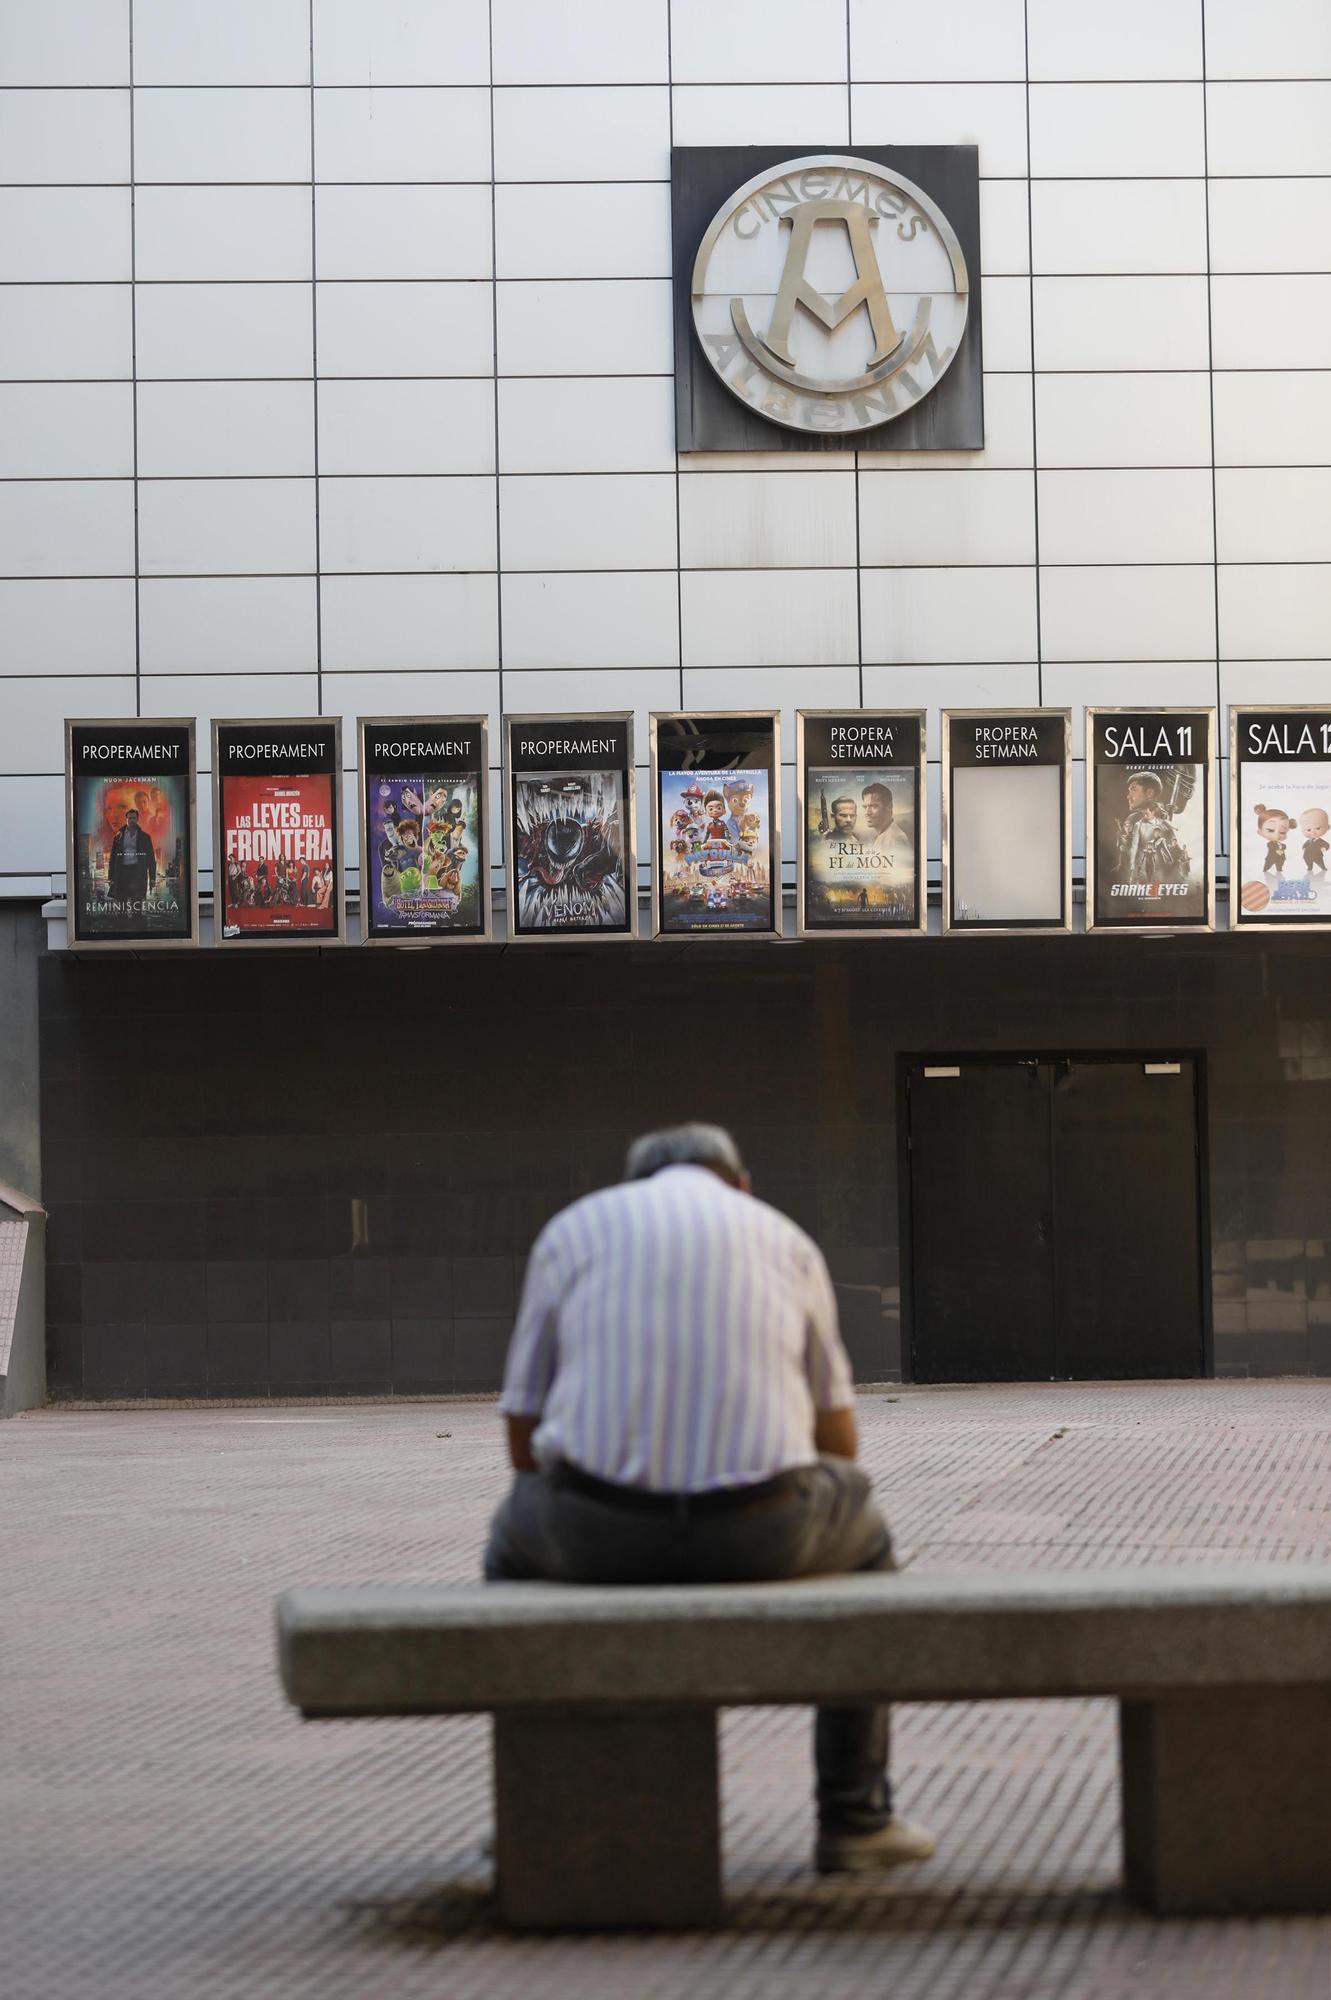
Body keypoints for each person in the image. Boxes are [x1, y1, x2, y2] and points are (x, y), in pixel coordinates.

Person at [485, 1122, 934, 1878]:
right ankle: (855, 1815)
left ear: (633, 1184)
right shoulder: (784, 1238)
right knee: (861, 1520)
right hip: (760, 1530)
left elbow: (522, 1429)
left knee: (512, 1537)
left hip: (597, 1535)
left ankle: (533, 1811)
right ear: (740, 1182)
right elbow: (839, 1442)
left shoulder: (572, 1231)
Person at [107, 806, 156, 907]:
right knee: (121, 905)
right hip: (122, 873)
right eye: (129, 818)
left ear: (137, 819)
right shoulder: (118, 836)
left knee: (137, 905)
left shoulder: (145, 837)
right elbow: (113, 858)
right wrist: (110, 877)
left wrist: (152, 878)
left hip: (138, 873)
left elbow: (151, 859)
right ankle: (123, 922)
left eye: (134, 818)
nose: (132, 820)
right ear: (126, 819)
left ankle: (138, 922)